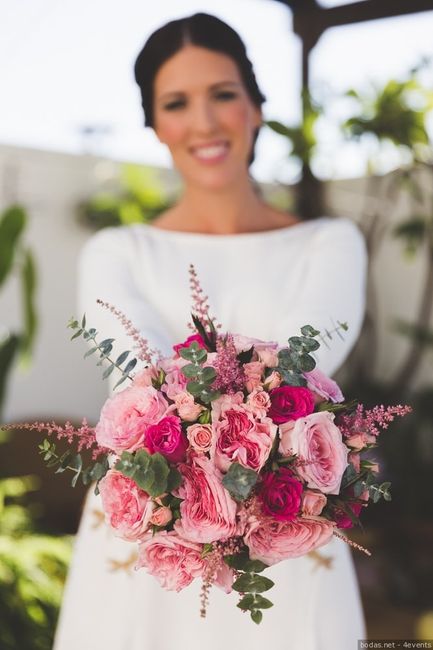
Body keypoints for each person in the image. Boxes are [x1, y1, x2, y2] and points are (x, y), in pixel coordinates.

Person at [54, 13, 367, 650]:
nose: (204, 121)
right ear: (154, 123)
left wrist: (221, 419)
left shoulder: (329, 244)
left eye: (222, 94)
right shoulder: (117, 251)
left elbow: (302, 371)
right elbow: (135, 381)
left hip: (287, 530)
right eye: (177, 102)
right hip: (150, 532)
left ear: (255, 104)